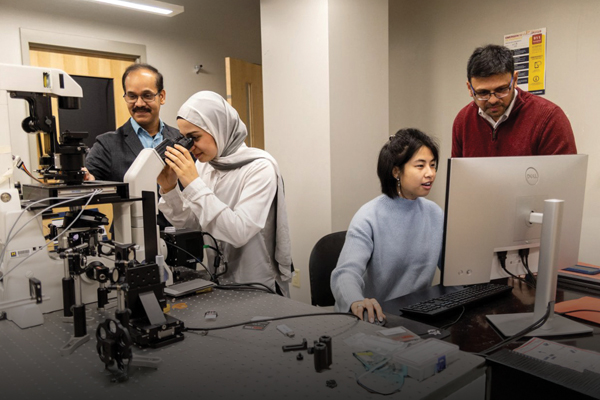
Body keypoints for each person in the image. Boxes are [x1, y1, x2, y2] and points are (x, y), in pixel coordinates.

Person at [156, 91, 293, 295]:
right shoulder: (205, 167)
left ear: (218, 128)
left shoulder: (260, 167)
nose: (190, 147)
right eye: (184, 138)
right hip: (217, 280)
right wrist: (169, 190)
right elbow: (192, 225)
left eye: (194, 137)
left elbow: (238, 233)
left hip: (257, 283)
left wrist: (193, 184)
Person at [330, 128, 443, 323]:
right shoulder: (368, 216)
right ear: (396, 171)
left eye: (433, 165)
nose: (430, 173)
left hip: (421, 316)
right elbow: (345, 273)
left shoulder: (435, 213)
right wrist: (357, 301)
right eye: (420, 165)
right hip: (378, 318)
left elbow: (454, 268)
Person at [452, 44, 577, 157]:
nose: (493, 100)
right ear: (470, 88)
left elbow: (565, 179)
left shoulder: (549, 118)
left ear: (515, 80)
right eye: (482, 93)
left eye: (501, 89)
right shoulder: (463, 121)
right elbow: (457, 178)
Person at [85, 63, 181, 182]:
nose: (139, 103)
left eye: (147, 95)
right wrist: (87, 178)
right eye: (132, 96)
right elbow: (90, 179)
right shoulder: (106, 145)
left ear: (161, 97)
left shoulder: (180, 140)